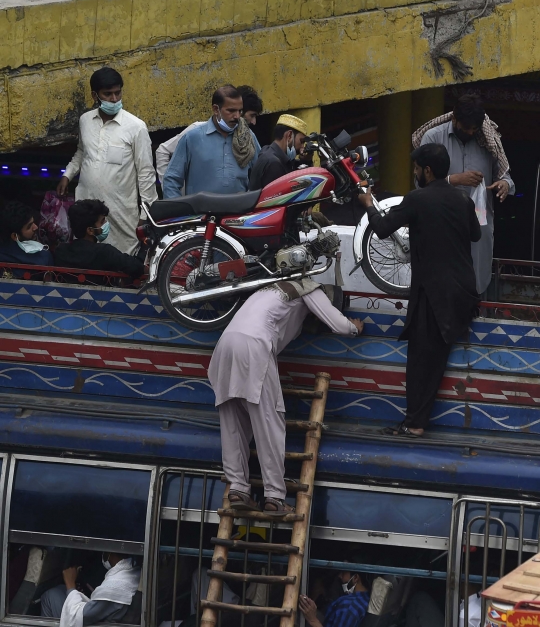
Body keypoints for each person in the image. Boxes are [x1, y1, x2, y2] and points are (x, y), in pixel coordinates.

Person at [208, 279, 364, 514]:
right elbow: (338, 323)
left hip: (225, 346)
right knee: (269, 422)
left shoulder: (270, 287)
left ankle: (239, 488)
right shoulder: (309, 287)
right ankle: (274, 497)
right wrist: (354, 327)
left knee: (233, 424)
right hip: (254, 346)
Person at [358, 144, 481, 437]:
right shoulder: (462, 199)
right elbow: (475, 234)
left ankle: (414, 424)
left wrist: (368, 204)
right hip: (463, 291)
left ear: (427, 170)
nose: (414, 174)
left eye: (416, 169)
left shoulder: (417, 199)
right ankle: (416, 421)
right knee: (434, 358)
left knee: (420, 361)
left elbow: (384, 228)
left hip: (434, 293)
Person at [412, 93, 515, 295]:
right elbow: (419, 184)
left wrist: (504, 184)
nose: (470, 132)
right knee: (441, 281)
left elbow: (506, 176)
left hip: (478, 225)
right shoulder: (433, 138)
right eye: (465, 128)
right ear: (454, 119)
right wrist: (454, 180)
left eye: (474, 129)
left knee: (476, 283)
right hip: (440, 222)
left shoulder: (487, 139)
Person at [57, 66, 157, 255]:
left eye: (118, 93)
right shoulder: (85, 120)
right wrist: (67, 175)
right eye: (108, 94)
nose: (114, 99)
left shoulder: (136, 127)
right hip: (87, 208)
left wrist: (145, 215)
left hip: (120, 212)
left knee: (122, 258)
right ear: (95, 96)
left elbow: (146, 173)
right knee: (87, 257)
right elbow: (81, 151)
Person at [162, 84, 260, 199]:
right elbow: (171, 179)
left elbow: (261, 173)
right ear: (216, 110)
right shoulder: (193, 138)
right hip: (201, 214)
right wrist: (178, 213)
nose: (237, 116)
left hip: (239, 213)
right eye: (231, 111)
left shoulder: (248, 137)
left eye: (240, 111)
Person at [54, 199, 144, 279]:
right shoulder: (104, 252)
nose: (106, 223)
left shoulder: (61, 251)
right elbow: (136, 267)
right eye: (102, 221)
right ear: (90, 230)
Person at [299, 563, 370, 627]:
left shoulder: (349, 606)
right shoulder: (366, 598)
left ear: (355, 578)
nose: (340, 576)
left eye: (344, 573)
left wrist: (313, 620)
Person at [248, 114, 308, 191]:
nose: (302, 147)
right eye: (301, 141)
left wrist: (306, 160)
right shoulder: (274, 164)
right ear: (289, 136)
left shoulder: (268, 152)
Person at [0, 201, 53, 266]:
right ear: (14, 236)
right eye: (29, 227)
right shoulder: (43, 257)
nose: (35, 227)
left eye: (33, 222)